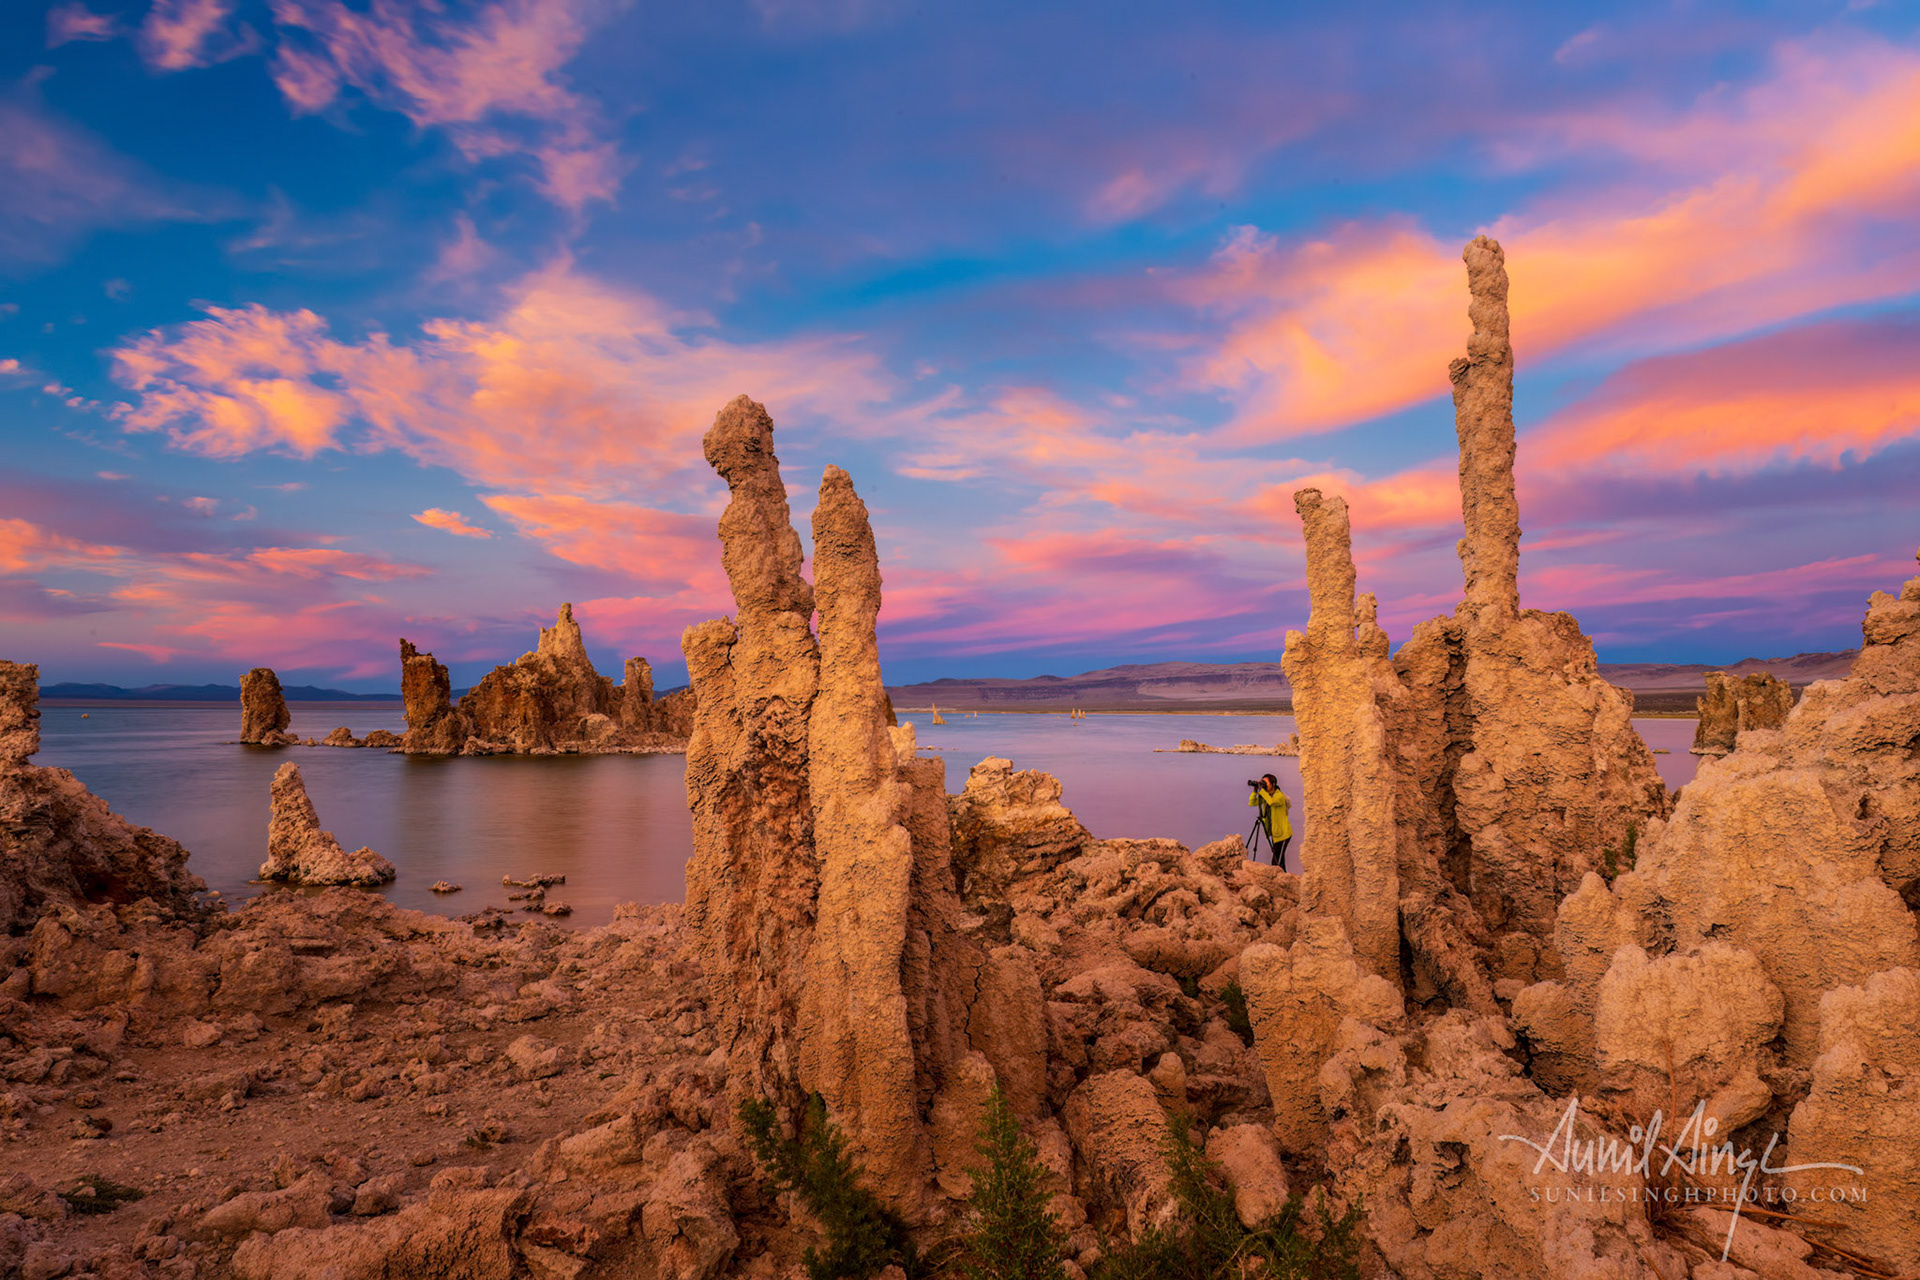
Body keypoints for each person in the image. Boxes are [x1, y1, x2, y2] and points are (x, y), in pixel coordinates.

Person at [1247, 774, 1292, 866]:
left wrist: (1262, 791)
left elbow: (1271, 802)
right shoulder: (1266, 796)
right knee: (1280, 861)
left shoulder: (1279, 796)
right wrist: (1255, 791)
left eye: (1265, 783)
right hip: (1275, 834)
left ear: (1273, 784)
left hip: (1283, 834)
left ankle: (1280, 878)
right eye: (1262, 782)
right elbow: (1251, 803)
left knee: (1276, 863)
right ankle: (1284, 878)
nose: (1263, 785)